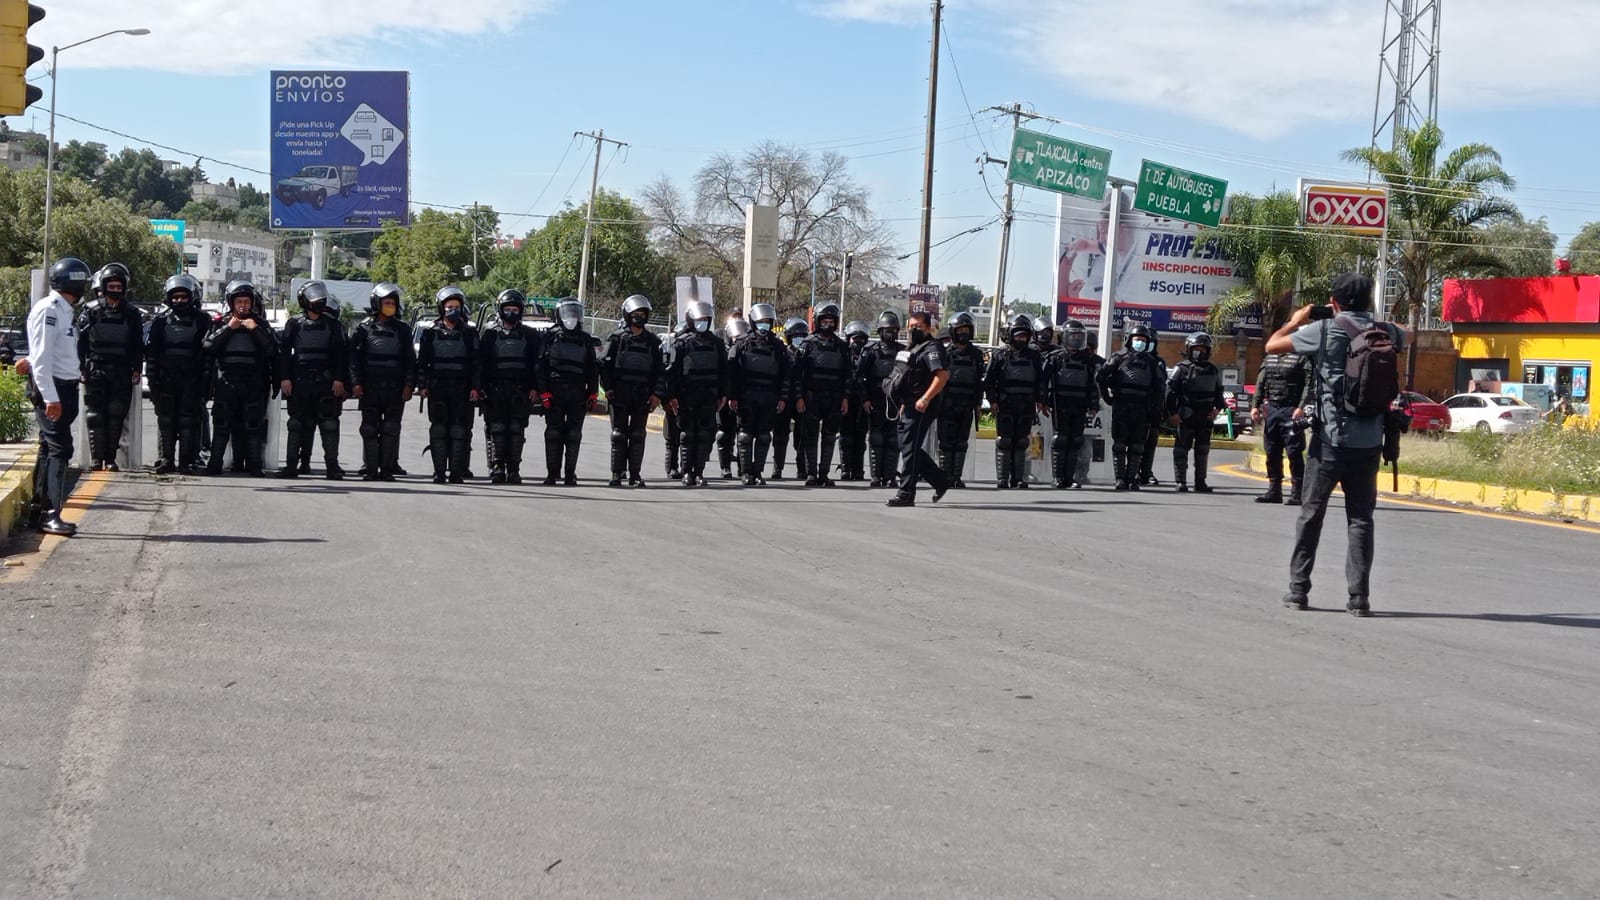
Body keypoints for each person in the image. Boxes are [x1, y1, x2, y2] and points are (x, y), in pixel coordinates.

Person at [1267, 272, 1404, 617]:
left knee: (1311, 515)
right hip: (1370, 443)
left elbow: (1273, 346)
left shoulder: (1323, 330)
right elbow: (1411, 335)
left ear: (1334, 302)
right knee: (1361, 520)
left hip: (1329, 442)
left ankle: (1299, 590)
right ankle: (1359, 599)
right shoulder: (1384, 333)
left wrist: (1293, 321)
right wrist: (1378, 323)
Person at [20, 258, 93, 535]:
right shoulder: (49, 310)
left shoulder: (63, 311)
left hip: (63, 387)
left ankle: (37, 513)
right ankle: (51, 514)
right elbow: (42, 359)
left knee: (48, 449)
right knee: (60, 449)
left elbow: (46, 351)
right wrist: (50, 398)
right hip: (52, 390)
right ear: (73, 282)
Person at [202, 280, 277, 477]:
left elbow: (271, 349)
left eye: (246, 301)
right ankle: (214, 465)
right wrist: (229, 328)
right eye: (239, 302)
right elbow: (208, 346)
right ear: (232, 303)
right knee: (221, 426)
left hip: (253, 383)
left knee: (253, 426)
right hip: (226, 382)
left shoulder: (260, 324)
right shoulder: (220, 322)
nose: (243, 305)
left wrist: (255, 329)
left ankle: (254, 466)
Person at [275, 280, 349, 479]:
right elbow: (284, 353)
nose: (319, 301)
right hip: (299, 382)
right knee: (297, 425)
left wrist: (339, 380)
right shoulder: (294, 323)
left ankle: (332, 467)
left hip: (325, 382)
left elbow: (342, 355)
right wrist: (285, 378)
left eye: (321, 297)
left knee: (329, 425)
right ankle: (292, 466)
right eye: (314, 297)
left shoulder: (333, 324)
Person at [75, 262, 144, 471]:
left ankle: (111, 459)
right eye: (111, 286)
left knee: (116, 414)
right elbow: (80, 341)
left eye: (118, 286)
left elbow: (137, 343)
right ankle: (97, 459)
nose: (115, 290)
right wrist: (81, 368)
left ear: (124, 287)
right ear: (103, 287)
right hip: (96, 368)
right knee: (95, 415)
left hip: (122, 370)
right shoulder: (90, 310)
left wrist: (137, 369)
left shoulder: (132, 313)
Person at [348, 282, 416, 481]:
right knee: (369, 429)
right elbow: (354, 360)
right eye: (386, 302)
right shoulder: (363, 329)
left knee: (391, 429)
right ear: (377, 303)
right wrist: (356, 383)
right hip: (369, 388)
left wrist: (409, 385)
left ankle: (387, 470)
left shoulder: (403, 330)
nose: (390, 306)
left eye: (393, 303)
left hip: (394, 389)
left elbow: (410, 360)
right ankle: (370, 469)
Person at [885, 309, 952, 508]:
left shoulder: (932, 347)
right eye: (912, 326)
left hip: (924, 405)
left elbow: (942, 376)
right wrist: (905, 403)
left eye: (919, 327)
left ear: (928, 328)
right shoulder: (913, 348)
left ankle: (906, 493)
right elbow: (909, 378)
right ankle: (940, 480)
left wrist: (925, 398)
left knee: (910, 449)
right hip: (909, 404)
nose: (914, 330)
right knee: (907, 446)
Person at [146, 274, 211, 474]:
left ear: (191, 297)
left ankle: (186, 461)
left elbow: (207, 354)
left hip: (191, 380)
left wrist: (206, 384)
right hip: (166, 380)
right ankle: (165, 459)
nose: (179, 301)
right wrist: (153, 381)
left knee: (188, 421)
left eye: (183, 297)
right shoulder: (160, 322)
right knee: (166, 420)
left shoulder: (202, 321)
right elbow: (152, 354)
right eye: (175, 297)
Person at [416, 286, 481, 484]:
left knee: (459, 431)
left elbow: (477, 364)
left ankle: (456, 472)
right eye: (449, 306)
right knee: (438, 430)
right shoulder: (430, 333)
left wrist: (475, 387)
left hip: (461, 389)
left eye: (456, 306)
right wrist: (422, 385)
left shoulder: (470, 333)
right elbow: (423, 363)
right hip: (437, 388)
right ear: (441, 308)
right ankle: (438, 472)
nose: (453, 310)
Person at [600, 295, 665, 487]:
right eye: (635, 314)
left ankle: (635, 474)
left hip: (642, 395)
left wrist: (656, 395)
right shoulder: (617, 338)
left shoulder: (653, 341)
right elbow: (604, 366)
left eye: (642, 314)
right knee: (618, 434)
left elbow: (659, 371)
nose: (638, 317)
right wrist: (608, 388)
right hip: (620, 394)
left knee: (637, 435)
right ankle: (616, 473)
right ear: (627, 315)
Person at [479, 289, 542, 484]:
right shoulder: (489, 334)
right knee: (496, 429)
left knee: (516, 430)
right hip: (495, 390)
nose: (511, 312)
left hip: (521, 390)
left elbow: (536, 365)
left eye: (515, 309)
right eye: (508, 309)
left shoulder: (530, 335)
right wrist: (480, 387)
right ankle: (497, 467)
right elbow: (480, 363)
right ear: (500, 309)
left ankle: (514, 469)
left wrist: (535, 388)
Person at [537, 297, 599, 486]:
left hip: (577, 392)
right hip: (554, 392)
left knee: (573, 434)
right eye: (568, 312)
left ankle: (570, 474)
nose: (571, 317)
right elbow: (540, 367)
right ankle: (552, 473)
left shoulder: (585, 339)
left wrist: (593, 392)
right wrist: (544, 392)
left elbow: (592, 368)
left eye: (575, 312)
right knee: (553, 433)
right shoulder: (549, 336)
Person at [666, 300, 728, 487]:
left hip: (708, 395)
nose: (703, 322)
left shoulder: (716, 343)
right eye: (699, 319)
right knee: (687, 435)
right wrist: (671, 396)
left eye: (706, 319)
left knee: (704, 435)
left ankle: (699, 472)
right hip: (686, 395)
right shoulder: (682, 342)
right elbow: (673, 371)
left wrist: (724, 394)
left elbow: (724, 371)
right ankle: (686, 472)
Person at [791, 301, 853, 486]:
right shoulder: (807, 345)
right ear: (818, 321)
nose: (828, 324)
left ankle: (824, 474)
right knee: (810, 436)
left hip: (834, 399)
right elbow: (797, 374)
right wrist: (799, 397)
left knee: (829, 437)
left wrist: (845, 398)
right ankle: (811, 473)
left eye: (831, 321)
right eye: (824, 321)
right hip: (811, 398)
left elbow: (848, 375)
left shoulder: (842, 347)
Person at [729, 303, 790, 486]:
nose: (765, 325)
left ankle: (758, 472)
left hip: (769, 396)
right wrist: (732, 395)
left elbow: (785, 374)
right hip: (747, 396)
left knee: (764, 436)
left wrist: (783, 398)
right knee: (745, 435)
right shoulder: (742, 343)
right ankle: (746, 472)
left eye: (768, 322)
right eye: (761, 321)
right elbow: (732, 372)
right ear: (754, 322)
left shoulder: (778, 347)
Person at [1098, 322, 1163, 491]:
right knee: (1119, 444)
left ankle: (1132, 479)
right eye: (1137, 339)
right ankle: (1119, 478)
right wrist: (1107, 397)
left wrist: (1156, 411)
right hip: (1122, 407)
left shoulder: (1152, 363)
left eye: (1143, 340)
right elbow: (1101, 377)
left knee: (1137, 446)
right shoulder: (1118, 358)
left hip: (1142, 409)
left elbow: (1159, 388)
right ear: (1129, 339)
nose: (1139, 343)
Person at [984, 314, 1043, 489]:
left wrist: (1040, 400)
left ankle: (1018, 478)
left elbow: (1040, 380)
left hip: (1026, 404)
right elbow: (989, 380)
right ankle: (1002, 479)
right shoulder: (1000, 355)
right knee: (1005, 441)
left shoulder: (1034, 356)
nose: (1021, 339)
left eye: (1024, 336)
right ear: (1010, 335)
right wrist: (993, 401)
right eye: (1018, 335)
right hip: (1005, 403)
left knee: (1022, 442)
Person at [1044, 319, 1099, 489]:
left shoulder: (1087, 360)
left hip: (1079, 404)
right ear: (1064, 337)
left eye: (1078, 335)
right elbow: (1043, 381)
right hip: (1060, 404)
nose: (1075, 338)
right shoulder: (1054, 358)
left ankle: (1070, 478)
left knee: (1075, 441)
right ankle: (1058, 478)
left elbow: (1092, 384)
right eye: (1072, 335)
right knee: (1060, 440)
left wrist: (1094, 404)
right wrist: (1043, 401)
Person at [1166, 332, 1224, 493]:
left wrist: (1216, 410)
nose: (1200, 351)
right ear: (1189, 349)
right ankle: (1180, 481)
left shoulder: (1213, 370)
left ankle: (1200, 482)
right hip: (1186, 415)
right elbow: (1170, 392)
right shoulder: (1181, 368)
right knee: (1181, 450)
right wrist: (1173, 413)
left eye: (1203, 348)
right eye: (1196, 348)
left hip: (1205, 416)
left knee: (1203, 450)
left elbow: (1219, 393)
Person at [1252, 348, 1311, 504]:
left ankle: (1297, 493)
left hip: (1291, 409)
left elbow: (1308, 384)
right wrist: (1255, 405)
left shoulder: (1302, 357)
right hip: (1272, 409)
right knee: (1271, 450)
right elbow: (1261, 382)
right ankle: (1274, 490)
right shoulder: (1270, 357)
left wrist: (1301, 407)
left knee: (1294, 451)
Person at [854, 310, 904, 488]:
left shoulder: (903, 352)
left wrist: (905, 402)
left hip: (896, 402)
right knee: (876, 439)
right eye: (887, 330)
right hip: (875, 400)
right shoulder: (871, 352)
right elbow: (859, 378)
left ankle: (890, 476)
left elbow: (910, 378)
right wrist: (865, 399)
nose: (891, 333)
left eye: (894, 330)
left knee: (893, 439)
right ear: (881, 331)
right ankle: (876, 477)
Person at [937, 311, 986, 489]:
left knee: (961, 443)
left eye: (966, 329)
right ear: (952, 331)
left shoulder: (976, 355)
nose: (963, 333)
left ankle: (956, 477)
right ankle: (944, 478)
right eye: (960, 330)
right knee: (946, 443)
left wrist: (979, 402)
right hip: (947, 404)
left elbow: (980, 381)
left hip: (967, 404)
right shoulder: (945, 353)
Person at [769, 317, 809, 480]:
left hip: (803, 400)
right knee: (780, 436)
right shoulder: (782, 353)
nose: (798, 339)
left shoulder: (808, 354)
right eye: (794, 336)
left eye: (801, 335)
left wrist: (802, 397)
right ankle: (777, 469)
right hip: (784, 399)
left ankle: (802, 470)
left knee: (802, 437)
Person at [716, 317, 750, 479]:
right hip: (725, 397)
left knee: (743, 435)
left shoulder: (747, 349)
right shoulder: (721, 350)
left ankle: (743, 469)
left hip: (743, 397)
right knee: (724, 433)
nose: (738, 337)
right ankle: (725, 467)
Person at [838, 319, 872, 481]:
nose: (857, 342)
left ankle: (858, 470)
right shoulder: (843, 356)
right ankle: (845, 469)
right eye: (854, 338)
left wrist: (866, 398)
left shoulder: (868, 357)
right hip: (846, 400)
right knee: (845, 437)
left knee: (860, 437)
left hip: (863, 402)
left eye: (861, 339)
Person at [661, 318, 693, 479]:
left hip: (688, 397)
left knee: (687, 435)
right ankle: (672, 467)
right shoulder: (671, 349)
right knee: (672, 437)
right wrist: (666, 399)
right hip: (672, 397)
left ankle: (687, 468)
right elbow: (665, 375)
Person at [1136, 333, 1168, 487]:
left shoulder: (1158, 362)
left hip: (1153, 408)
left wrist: (1164, 410)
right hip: (1135, 407)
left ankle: (1146, 472)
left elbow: (1162, 388)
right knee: (1134, 441)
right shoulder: (1129, 359)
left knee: (1151, 441)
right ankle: (1132, 471)